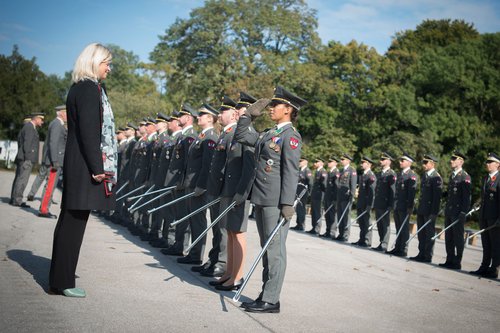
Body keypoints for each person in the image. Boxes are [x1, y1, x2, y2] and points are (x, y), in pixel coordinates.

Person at [49, 43, 117, 298]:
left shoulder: (79, 87)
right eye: (106, 63)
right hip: (84, 165)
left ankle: (60, 277)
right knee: (73, 223)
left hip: (77, 162)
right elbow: (90, 132)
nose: (109, 69)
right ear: (93, 63)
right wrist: (98, 168)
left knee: (69, 221)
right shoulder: (89, 89)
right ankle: (63, 280)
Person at [235, 86, 306, 314]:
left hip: (275, 202)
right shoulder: (269, 133)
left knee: (275, 251)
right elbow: (242, 136)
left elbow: (290, 171)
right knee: (268, 251)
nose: (270, 108)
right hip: (262, 198)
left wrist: (287, 203)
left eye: (275, 105)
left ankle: (271, 299)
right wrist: (247, 116)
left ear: (288, 109)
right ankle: (266, 295)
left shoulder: (290, 136)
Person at [212, 95, 255, 290]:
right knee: (229, 232)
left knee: (238, 233)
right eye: (237, 110)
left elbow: (249, 169)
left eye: (242, 110)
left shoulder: (248, 135)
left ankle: (237, 277)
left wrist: (242, 193)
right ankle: (229, 273)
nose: (238, 113)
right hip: (229, 190)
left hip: (238, 193)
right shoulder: (238, 134)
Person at [176, 103, 219, 265]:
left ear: (209, 119)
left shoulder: (210, 137)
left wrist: (201, 186)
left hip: (198, 186)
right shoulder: (202, 136)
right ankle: (193, 252)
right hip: (191, 184)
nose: (198, 117)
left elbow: (207, 165)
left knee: (198, 220)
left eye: (201, 115)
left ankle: (196, 255)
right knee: (193, 219)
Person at [469, 153, 500, 278]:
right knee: (486, 244)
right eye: (487, 162)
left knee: (496, 244)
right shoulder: (485, 178)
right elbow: (484, 197)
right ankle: (484, 267)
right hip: (484, 216)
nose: (487, 164)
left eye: (490, 162)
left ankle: (494, 269)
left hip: (495, 218)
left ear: (498, 164)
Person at [439, 150, 471, 270]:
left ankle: (457, 261)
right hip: (450, 211)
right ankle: (449, 259)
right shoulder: (453, 175)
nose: (451, 161)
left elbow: (466, 197)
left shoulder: (465, 177)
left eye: (454, 159)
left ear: (461, 161)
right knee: (449, 237)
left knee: (458, 237)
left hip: (458, 212)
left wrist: (463, 212)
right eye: (451, 159)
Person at [410, 154, 442, 263]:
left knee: (429, 234)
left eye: (426, 162)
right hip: (422, 209)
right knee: (421, 233)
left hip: (429, 211)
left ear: (432, 164)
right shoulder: (425, 176)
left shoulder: (436, 177)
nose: (423, 165)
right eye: (423, 162)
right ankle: (421, 253)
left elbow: (436, 198)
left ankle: (428, 256)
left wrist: (434, 213)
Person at [38, 106, 68, 218]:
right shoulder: (57, 124)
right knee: (50, 186)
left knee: (51, 185)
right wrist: (54, 160)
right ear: (61, 113)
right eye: (66, 113)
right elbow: (53, 143)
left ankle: (45, 208)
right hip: (54, 161)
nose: (67, 116)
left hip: (56, 160)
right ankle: (44, 210)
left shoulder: (58, 124)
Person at [10, 112, 44, 207]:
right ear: (36, 119)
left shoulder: (29, 127)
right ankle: (17, 200)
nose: (42, 121)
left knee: (19, 179)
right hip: (26, 159)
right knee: (22, 180)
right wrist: (28, 159)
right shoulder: (29, 127)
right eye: (41, 119)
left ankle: (14, 198)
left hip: (24, 158)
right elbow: (27, 144)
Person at [387, 152, 417, 257]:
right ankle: (397, 248)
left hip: (404, 206)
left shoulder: (411, 175)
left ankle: (403, 249)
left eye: (402, 161)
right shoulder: (400, 174)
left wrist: (410, 207)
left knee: (404, 229)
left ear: (409, 162)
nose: (400, 162)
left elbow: (411, 193)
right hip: (397, 205)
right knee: (398, 227)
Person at [372, 152, 396, 251]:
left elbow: (392, 191)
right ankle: (381, 242)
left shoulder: (391, 174)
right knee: (379, 224)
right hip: (378, 203)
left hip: (386, 204)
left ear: (388, 161)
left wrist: (391, 205)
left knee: (385, 224)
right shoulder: (379, 173)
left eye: (383, 159)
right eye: (380, 159)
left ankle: (385, 244)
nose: (380, 161)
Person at [352, 156, 376, 247]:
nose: (361, 164)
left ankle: (367, 240)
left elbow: (372, 192)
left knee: (367, 222)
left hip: (366, 203)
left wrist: (370, 204)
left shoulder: (371, 176)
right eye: (361, 163)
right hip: (361, 202)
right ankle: (361, 239)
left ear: (369, 164)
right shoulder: (363, 175)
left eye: (363, 163)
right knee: (361, 222)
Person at [334, 153, 357, 241]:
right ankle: (341, 233)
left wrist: (352, 196)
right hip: (340, 196)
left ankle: (345, 235)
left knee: (346, 216)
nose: (341, 161)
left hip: (347, 197)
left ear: (348, 160)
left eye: (343, 160)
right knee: (340, 215)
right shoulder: (341, 170)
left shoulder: (352, 170)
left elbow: (353, 184)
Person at [291, 157, 312, 231]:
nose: (300, 162)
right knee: (298, 209)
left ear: (306, 162)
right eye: (299, 161)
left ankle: (301, 225)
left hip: (303, 193)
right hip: (298, 192)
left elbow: (310, 183)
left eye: (301, 161)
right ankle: (298, 224)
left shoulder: (307, 171)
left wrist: (309, 193)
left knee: (301, 209)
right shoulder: (300, 170)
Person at [308, 158, 327, 235]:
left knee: (318, 212)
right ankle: (314, 227)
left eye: (317, 162)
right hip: (315, 194)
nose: (315, 163)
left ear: (322, 163)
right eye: (315, 161)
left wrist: (323, 194)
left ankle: (317, 229)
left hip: (319, 195)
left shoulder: (323, 171)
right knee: (314, 212)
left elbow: (324, 185)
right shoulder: (317, 171)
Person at [322, 156, 340, 238]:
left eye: (330, 162)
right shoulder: (330, 172)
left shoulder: (336, 172)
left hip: (332, 198)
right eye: (328, 162)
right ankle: (328, 231)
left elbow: (336, 187)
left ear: (335, 163)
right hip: (327, 197)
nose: (328, 163)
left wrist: (335, 199)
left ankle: (332, 232)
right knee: (327, 215)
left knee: (332, 216)